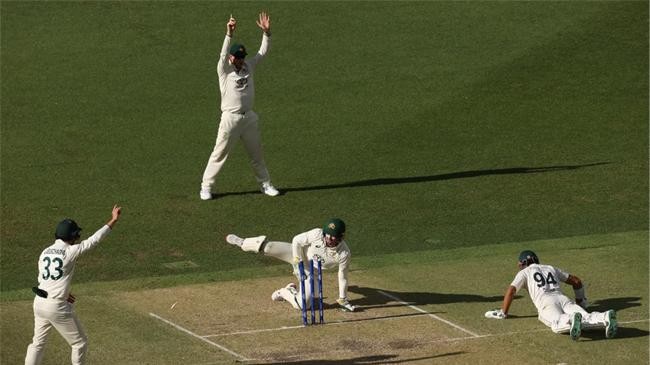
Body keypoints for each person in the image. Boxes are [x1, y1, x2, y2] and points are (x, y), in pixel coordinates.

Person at [25, 205, 122, 365]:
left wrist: (63, 292)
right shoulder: (70, 251)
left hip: (39, 303)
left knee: (37, 344)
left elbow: (43, 278)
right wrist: (113, 220)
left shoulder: (45, 252)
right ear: (72, 236)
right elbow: (94, 240)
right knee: (80, 343)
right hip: (56, 306)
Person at [200, 12, 279, 200]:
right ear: (231, 57)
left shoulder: (248, 67)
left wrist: (266, 33)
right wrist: (229, 34)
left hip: (249, 118)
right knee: (219, 154)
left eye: (242, 57)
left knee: (257, 154)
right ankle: (206, 187)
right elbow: (221, 55)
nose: (240, 60)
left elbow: (262, 52)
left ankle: (265, 185)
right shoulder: (224, 71)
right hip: (230, 119)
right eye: (237, 57)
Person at [226, 218, 356, 312]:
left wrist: (343, 298)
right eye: (328, 235)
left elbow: (342, 276)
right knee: (268, 247)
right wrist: (297, 259)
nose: (330, 239)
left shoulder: (344, 253)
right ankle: (243, 242)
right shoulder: (317, 233)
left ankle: (286, 291)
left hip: (311, 272)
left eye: (334, 237)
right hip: (298, 255)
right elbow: (297, 240)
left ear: (341, 237)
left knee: (303, 305)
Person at [485, 250, 617, 341]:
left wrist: (504, 312)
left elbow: (511, 291)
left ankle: (570, 320)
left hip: (546, 302)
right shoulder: (549, 268)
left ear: (524, 262)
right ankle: (604, 316)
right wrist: (581, 302)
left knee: (556, 322)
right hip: (563, 298)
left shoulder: (524, 272)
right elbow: (576, 281)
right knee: (586, 316)